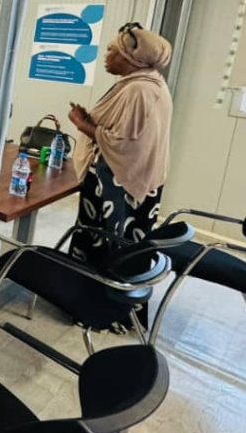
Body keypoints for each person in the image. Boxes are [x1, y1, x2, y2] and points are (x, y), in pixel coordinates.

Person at [68, 23, 173, 274]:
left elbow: (122, 143)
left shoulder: (139, 89)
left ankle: (96, 290)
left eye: (111, 50)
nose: (105, 55)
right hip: (132, 178)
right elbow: (128, 131)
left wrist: (80, 123)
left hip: (117, 183)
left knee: (107, 244)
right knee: (120, 243)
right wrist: (91, 121)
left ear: (130, 57)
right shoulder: (150, 82)